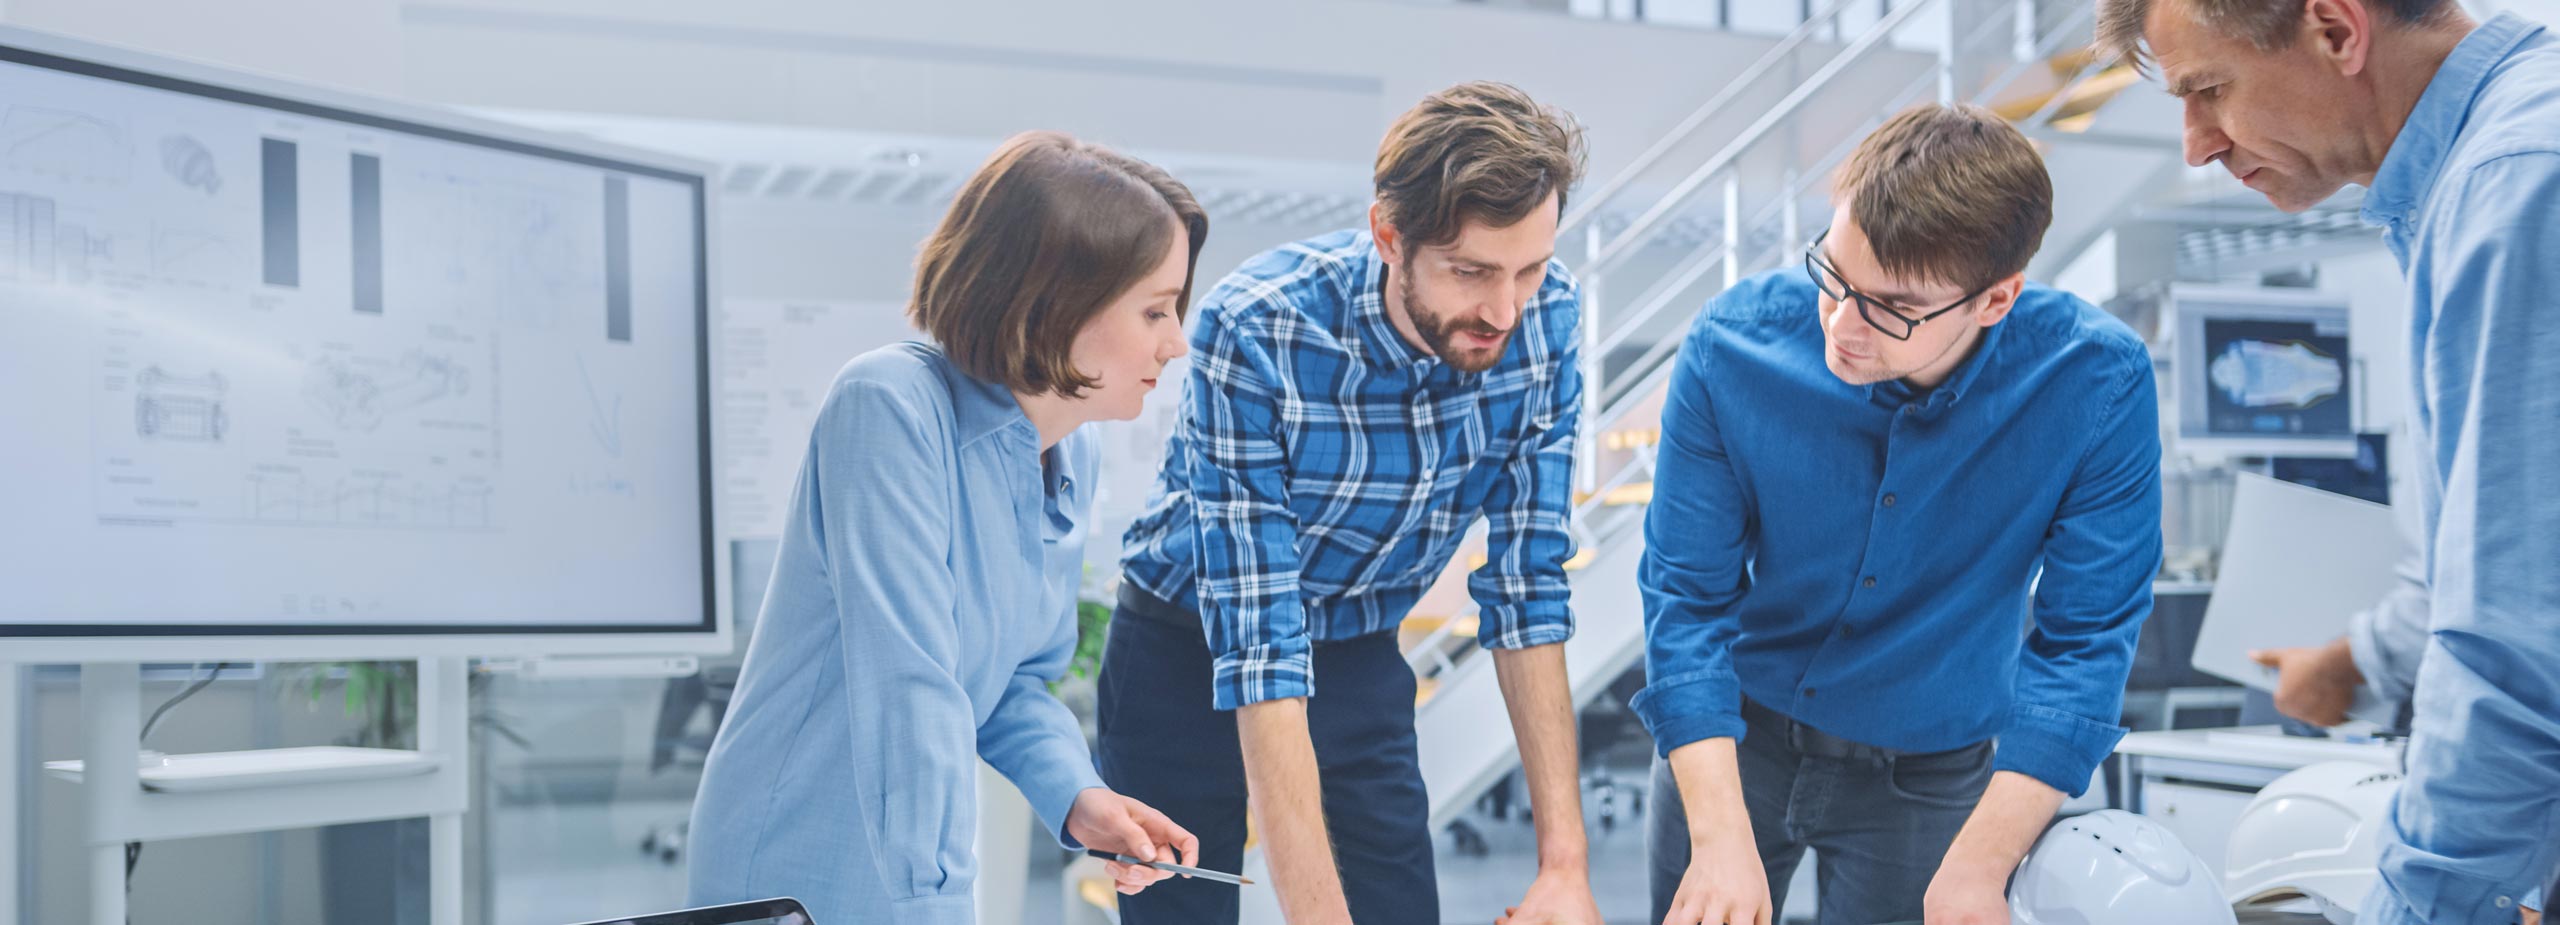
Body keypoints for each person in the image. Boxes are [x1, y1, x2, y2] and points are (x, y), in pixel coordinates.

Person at [1637, 103, 2162, 925]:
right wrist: (1717, 834)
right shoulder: (1734, 347)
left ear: (1996, 300)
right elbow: (1685, 599)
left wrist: (1982, 867)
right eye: (1834, 276)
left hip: (1929, 772)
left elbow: (2086, 644)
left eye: (1891, 305)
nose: (1842, 326)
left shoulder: (2096, 385)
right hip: (1733, 745)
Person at [2096, 0, 2560, 920]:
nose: (2196, 145)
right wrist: (2361, 657)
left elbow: (2517, 642)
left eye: (2209, 90)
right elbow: (2494, 562)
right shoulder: (2494, 161)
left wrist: (2420, 900)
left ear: (2337, 30)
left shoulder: (2516, 187)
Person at [1097, 81, 1602, 925]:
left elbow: (1528, 590)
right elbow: (1260, 642)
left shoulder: (1546, 319)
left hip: (1359, 643)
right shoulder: (1261, 328)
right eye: (1472, 271)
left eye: (1530, 267)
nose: (1505, 308)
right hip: (1183, 644)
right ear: (1388, 236)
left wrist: (1565, 866)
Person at [686, 130, 1208, 925]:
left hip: (911, 854)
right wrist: (938, 907)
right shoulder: (890, 406)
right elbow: (913, 692)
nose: (1176, 341)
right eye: (1156, 309)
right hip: (795, 852)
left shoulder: (1071, 448)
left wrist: (1079, 793)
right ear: (1056, 300)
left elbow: (1011, 683)